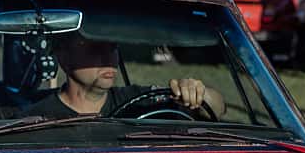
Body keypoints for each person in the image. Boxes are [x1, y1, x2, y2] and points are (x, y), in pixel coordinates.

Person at [24, 33, 224, 119]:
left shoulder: (141, 101)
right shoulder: (37, 118)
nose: (108, 56)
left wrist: (199, 93)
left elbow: (216, 109)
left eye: (112, 47)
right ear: (63, 57)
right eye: (95, 48)